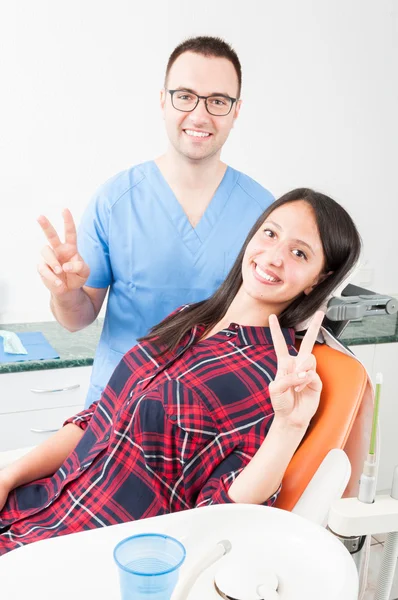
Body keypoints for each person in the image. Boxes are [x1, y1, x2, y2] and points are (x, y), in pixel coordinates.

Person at [0, 188, 361, 555]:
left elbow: (225, 514)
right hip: (34, 508)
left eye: (299, 252)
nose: (274, 256)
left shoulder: (275, 377)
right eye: (270, 233)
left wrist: (289, 426)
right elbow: (99, 419)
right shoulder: (188, 318)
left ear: (318, 278)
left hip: (90, 551)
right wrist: (9, 475)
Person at [37, 36, 274, 408]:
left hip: (214, 417)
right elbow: (76, 320)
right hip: (117, 410)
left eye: (217, 101)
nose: (199, 115)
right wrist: (65, 293)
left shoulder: (265, 214)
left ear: (236, 110)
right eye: (185, 96)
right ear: (163, 100)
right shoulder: (115, 201)